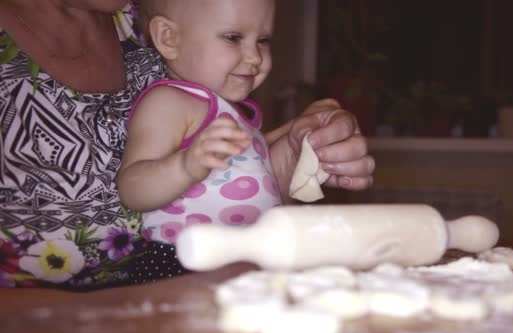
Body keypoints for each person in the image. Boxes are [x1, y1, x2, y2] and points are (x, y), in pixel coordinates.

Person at [0, 0, 374, 290]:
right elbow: (134, 186)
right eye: (233, 38)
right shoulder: (169, 100)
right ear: (168, 38)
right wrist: (184, 166)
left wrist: (298, 147)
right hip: (173, 267)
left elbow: (251, 187)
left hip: (237, 263)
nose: (255, 56)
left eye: (263, 40)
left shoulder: (220, 103)